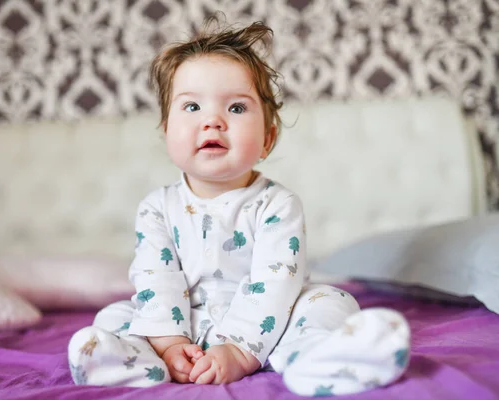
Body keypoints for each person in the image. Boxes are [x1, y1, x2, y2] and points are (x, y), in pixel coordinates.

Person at [68, 16, 410, 396]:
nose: (212, 121)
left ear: (267, 138)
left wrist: (238, 350)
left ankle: (316, 360)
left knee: (331, 300)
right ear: (167, 132)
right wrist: (168, 343)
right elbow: (156, 279)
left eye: (235, 108)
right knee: (115, 315)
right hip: (183, 323)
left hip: (266, 325)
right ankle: (140, 363)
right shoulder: (157, 207)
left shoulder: (277, 204)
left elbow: (275, 285)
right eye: (192, 107)